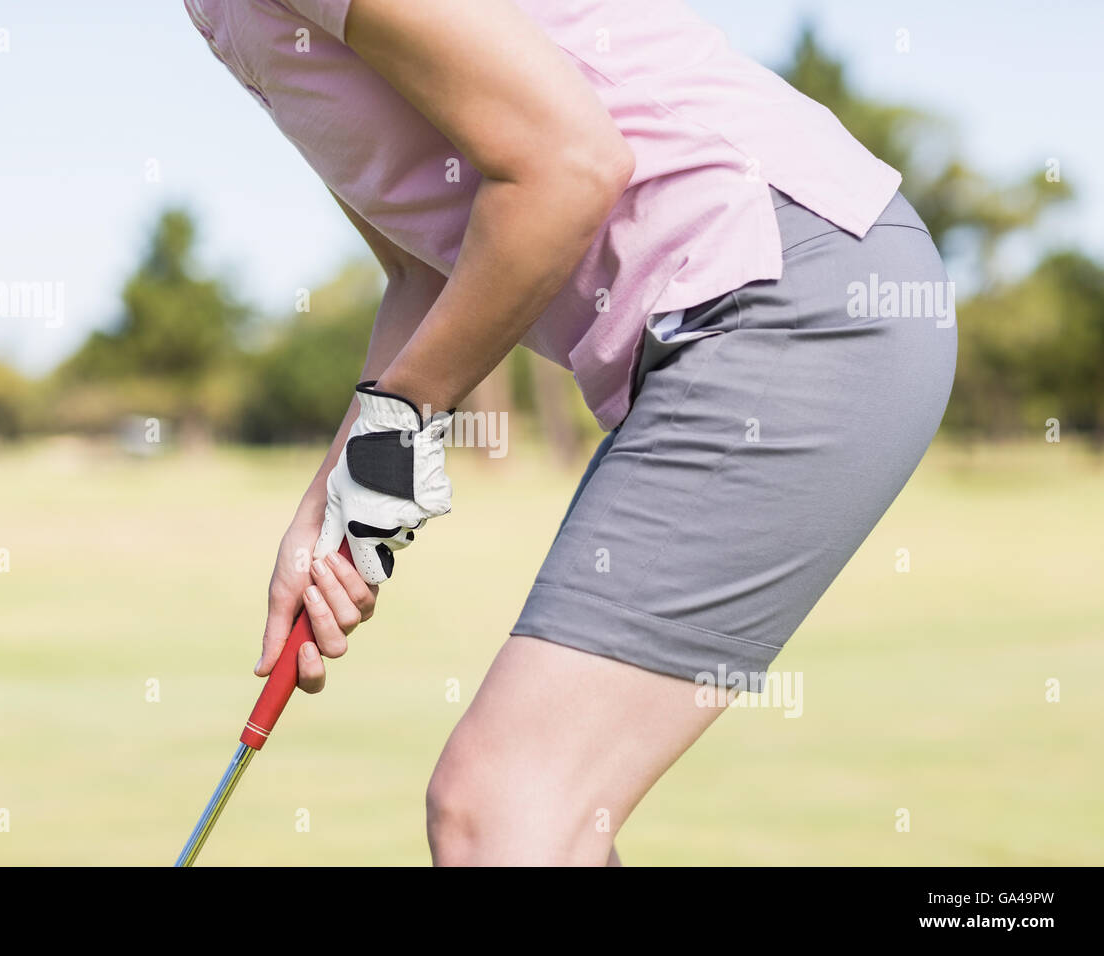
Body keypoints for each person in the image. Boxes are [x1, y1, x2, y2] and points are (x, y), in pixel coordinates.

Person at [184, 0, 957, 865]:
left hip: (785, 288)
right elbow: (420, 269)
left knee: (499, 808)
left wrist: (389, 437)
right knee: (530, 819)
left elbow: (571, 163)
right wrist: (331, 505)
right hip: (728, 314)